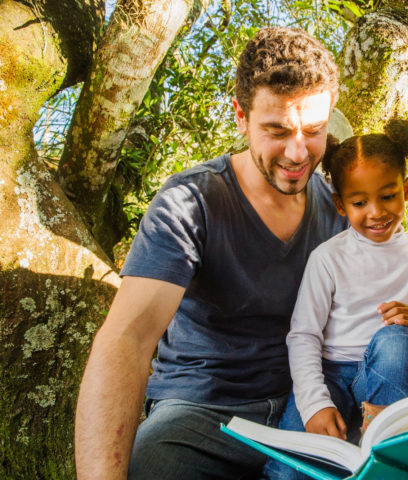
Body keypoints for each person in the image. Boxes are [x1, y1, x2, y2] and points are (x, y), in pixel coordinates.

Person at [74, 27, 349, 480]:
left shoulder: (340, 208)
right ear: (241, 116)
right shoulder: (190, 202)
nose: (298, 152)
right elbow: (128, 338)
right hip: (202, 413)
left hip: (306, 407)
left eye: (314, 130)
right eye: (276, 130)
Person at [264, 118, 408, 480]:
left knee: (396, 339)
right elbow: (304, 335)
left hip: (387, 373)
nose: (376, 212)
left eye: (387, 196)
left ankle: (384, 446)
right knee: (289, 472)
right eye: (359, 201)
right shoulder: (328, 258)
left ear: (406, 189)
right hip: (331, 375)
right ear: (339, 204)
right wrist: (316, 404)